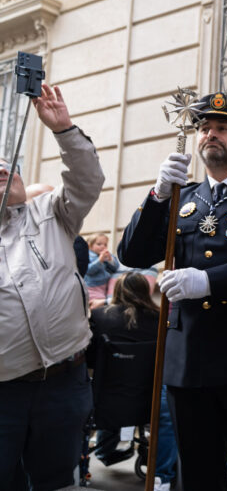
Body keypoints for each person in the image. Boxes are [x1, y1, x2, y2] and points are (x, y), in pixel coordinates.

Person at [118, 92, 227, 491]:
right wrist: (158, 195)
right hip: (190, 359)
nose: (209, 134)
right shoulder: (183, 196)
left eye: (221, 128)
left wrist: (209, 281)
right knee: (198, 474)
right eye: (203, 128)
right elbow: (132, 253)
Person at [0, 84, 105, 490]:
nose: (5, 169)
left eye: (9, 165)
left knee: (59, 480)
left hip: (63, 384)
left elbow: (86, 179)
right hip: (4, 392)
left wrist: (64, 131)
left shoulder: (50, 213)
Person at [87, 272, 179, 491]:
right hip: (149, 403)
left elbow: (89, 360)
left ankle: (96, 455)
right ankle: (161, 477)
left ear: (116, 292)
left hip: (105, 403)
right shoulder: (160, 320)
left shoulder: (99, 318)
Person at [85, 233, 119, 304]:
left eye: (105, 244)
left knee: (101, 304)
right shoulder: (88, 256)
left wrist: (110, 260)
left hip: (104, 286)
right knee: (93, 305)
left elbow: (115, 268)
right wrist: (99, 260)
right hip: (92, 287)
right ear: (90, 246)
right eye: (99, 244)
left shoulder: (106, 255)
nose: (103, 246)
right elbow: (89, 270)